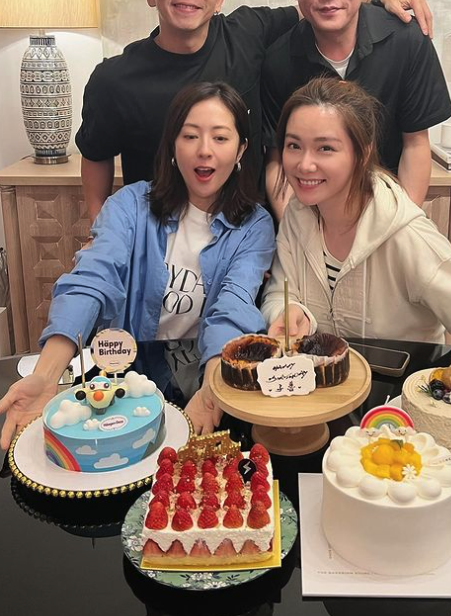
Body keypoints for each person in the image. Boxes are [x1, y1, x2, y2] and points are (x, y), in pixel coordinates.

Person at [75, 0, 435, 222]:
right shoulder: (114, 78)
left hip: (244, 234)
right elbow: (95, 155)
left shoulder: (247, 33)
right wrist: (99, 229)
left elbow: (319, 3)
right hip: (157, 235)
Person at [261, 77, 451, 444]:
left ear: (362, 152)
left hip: (400, 423)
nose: (304, 164)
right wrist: (287, 311)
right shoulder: (297, 216)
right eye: (294, 146)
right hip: (321, 413)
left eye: (325, 148)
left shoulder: (406, 234)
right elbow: (280, 291)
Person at [0, 82, 276, 449]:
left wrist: (213, 388)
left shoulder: (255, 225)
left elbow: (233, 306)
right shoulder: (130, 205)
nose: (204, 150)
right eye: (190, 136)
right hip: (126, 375)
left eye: (220, 138)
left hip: (206, 370)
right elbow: (92, 278)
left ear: (241, 149)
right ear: (173, 145)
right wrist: (47, 373)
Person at [262, 0, 451, 217]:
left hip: (386, 211)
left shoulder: (407, 41)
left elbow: (416, 146)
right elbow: (277, 160)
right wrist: (298, 231)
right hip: (310, 216)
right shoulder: (277, 60)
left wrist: (397, 227)